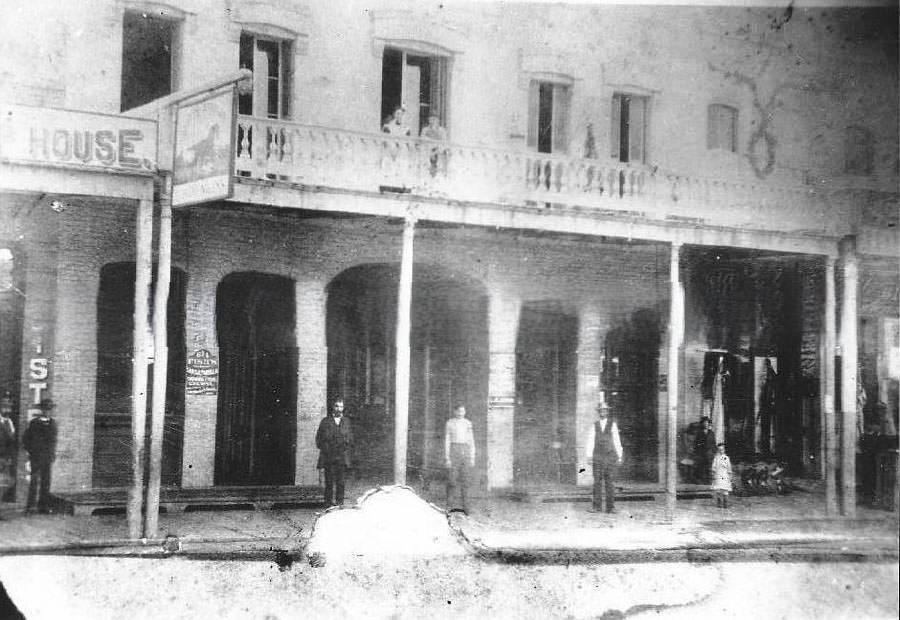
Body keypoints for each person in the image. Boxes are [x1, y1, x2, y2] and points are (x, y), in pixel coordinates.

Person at [585, 400, 623, 513]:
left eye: (605, 410)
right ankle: (596, 507)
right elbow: (590, 441)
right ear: (598, 412)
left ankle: (610, 507)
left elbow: (617, 440)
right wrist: (589, 456)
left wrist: (619, 455)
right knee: (597, 481)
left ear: (607, 412)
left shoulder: (613, 424)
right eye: (601, 410)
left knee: (610, 481)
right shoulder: (594, 425)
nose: (603, 412)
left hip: (610, 456)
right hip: (597, 456)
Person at [315, 398, 352, 508]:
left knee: (341, 482)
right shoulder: (325, 421)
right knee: (329, 482)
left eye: (341, 407)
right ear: (333, 407)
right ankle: (328, 504)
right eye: (337, 406)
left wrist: (345, 449)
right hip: (329, 456)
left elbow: (350, 439)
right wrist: (326, 449)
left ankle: (340, 503)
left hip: (342, 456)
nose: (339, 409)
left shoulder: (346, 422)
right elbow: (319, 439)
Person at [23, 398, 57, 514]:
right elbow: (26, 439)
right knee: (34, 481)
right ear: (42, 410)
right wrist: (32, 451)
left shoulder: (53, 423)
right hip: (37, 457)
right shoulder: (35, 423)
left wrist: (52, 454)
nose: (48, 411)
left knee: (46, 481)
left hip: (47, 457)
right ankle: (31, 507)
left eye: (49, 409)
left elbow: (53, 441)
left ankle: (43, 506)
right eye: (46, 409)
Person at [444, 404, 475, 513]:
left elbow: (471, 440)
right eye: (458, 411)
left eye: (463, 411)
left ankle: (466, 508)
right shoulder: (450, 423)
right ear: (454, 411)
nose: (461, 414)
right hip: (454, 449)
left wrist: (472, 457)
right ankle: (449, 506)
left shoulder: (468, 423)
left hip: (465, 450)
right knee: (452, 480)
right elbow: (447, 440)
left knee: (465, 480)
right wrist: (447, 457)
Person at [0, 392, 17, 520]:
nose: (7, 408)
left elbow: (12, 440)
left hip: (5, 458)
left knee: (2, 484)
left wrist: (9, 457)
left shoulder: (9, 422)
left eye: (9, 405)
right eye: (4, 405)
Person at [692, 416, 716, 484]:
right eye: (704, 423)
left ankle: (708, 481)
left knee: (709, 467)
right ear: (702, 424)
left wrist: (713, 452)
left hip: (709, 453)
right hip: (701, 453)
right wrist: (697, 452)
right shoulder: (699, 433)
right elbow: (696, 443)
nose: (706, 424)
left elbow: (714, 443)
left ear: (709, 424)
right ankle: (699, 480)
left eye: (707, 423)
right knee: (700, 467)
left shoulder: (711, 433)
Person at [710, 442, 733, 508]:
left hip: (725, 475)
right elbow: (713, 467)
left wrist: (730, 475)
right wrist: (713, 474)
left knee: (725, 489)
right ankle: (719, 503)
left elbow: (729, 467)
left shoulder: (726, 458)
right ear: (718, 450)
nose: (721, 451)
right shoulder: (716, 458)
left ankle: (725, 503)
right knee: (718, 489)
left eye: (722, 450)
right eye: (719, 450)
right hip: (718, 474)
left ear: (724, 450)